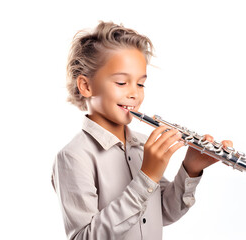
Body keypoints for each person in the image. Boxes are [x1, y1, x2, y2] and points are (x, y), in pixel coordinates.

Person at [52, 21, 233, 240]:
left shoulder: (141, 144)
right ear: (86, 86)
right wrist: (146, 176)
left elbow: (164, 212)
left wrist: (190, 169)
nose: (134, 94)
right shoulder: (74, 157)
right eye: (121, 82)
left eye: (140, 84)